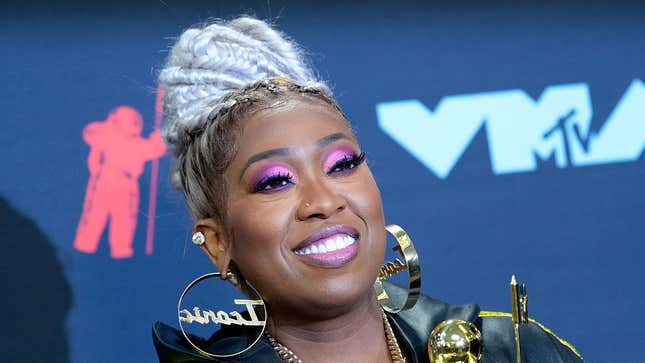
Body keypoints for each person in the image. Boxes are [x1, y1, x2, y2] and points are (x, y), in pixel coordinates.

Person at [152, 17, 584, 362]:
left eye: (342, 165)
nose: (324, 201)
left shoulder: (511, 351)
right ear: (217, 242)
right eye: (275, 182)